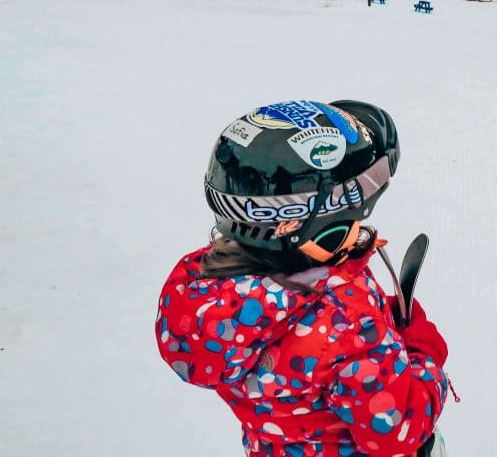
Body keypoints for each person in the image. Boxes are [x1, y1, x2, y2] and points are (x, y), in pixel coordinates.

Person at [155, 100, 451, 456]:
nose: (361, 231)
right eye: (354, 220)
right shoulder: (347, 325)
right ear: (312, 230)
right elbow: (398, 429)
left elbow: (301, 338)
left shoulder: (212, 293)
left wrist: (374, 328)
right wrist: (422, 355)